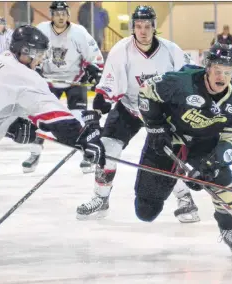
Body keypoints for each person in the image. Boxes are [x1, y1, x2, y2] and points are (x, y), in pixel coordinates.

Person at [76, 5, 200, 223]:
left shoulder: (171, 50)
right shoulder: (121, 50)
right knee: (108, 147)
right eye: (138, 26)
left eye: (147, 26)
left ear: (154, 28)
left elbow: (187, 85)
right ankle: (101, 198)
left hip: (162, 114)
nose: (142, 31)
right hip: (130, 108)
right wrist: (95, 113)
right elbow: (108, 88)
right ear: (133, 27)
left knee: (167, 154)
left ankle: (185, 198)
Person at [0, 25, 105, 213]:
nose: (41, 60)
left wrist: (11, 127)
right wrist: (83, 137)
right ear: (25, 51)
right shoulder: (25, 76)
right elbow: (55, 116)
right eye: (39, 54)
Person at [135, 42, 232, 257]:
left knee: (222, 179)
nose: (222, 77)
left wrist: (211, 163)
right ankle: (176, 179)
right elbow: (146, 91)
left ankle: (228, 228)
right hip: (168, 137)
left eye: (227, 72)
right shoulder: (180, 82)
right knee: (146, 211)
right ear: (207, 67)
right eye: (217, 70)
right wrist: (155, 127)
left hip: (203, 143)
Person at [21, 1, 104, 174]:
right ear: (52, 15)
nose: (60, 17)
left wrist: (94, 70)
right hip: (49, 81)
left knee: (80, 118)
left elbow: (94, 54)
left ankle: (87, 154)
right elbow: (32, 52)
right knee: (39, 116)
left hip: (75, 80)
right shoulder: (42, 30)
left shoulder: (79, 32)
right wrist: (33, 66)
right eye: (57, 13)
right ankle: (34, 153)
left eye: (63, 13)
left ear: (68, 14)